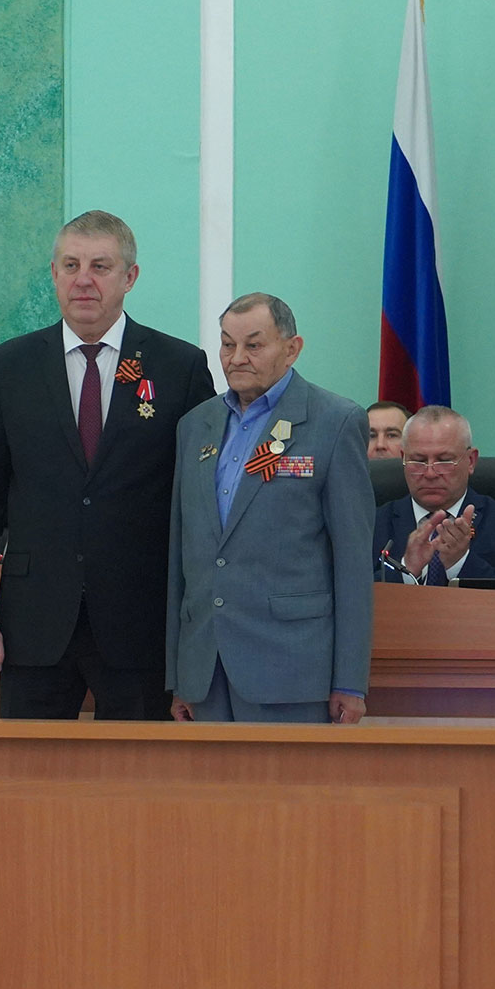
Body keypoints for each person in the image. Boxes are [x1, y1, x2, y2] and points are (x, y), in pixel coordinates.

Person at [0, 210, 214, 719]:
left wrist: (196, 627)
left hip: (141, 627)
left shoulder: (178, 366)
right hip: (33, 626)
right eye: (71, 265)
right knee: (28, 768)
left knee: (138, 768)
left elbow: (200, 507)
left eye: (100, 266)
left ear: (130, 277)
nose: (84, 279)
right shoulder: (11, 366)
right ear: (54, 274)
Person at [166, 294, 372, 723]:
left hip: (292, 667)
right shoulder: (195, 425)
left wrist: (350, 680)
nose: (237, 358)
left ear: (292, 349)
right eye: (227, 344)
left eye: (254, 345)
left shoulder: (334, 421)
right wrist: (179, 676)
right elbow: (181, 556)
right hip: (205, 668)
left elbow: (353, 562)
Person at [374, 405, 495, 583]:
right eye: (418, 461)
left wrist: (460, 562)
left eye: (444, 461)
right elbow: (355, 591)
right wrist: (406, 569)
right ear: (403, 459)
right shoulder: (372, 524)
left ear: (471, 461)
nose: (430, 473)